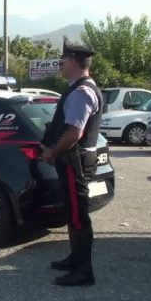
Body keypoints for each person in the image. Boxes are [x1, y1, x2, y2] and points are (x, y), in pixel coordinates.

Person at [41, 39, 102, 286]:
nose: (60, 65)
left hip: (74, 161)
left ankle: (84, 271)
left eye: (62, 61)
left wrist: (53, 152)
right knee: (72, 212)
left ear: (75, 62)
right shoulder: (79, 88)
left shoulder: (81, 92)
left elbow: (74, 133)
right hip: (72, 160)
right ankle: (75, 259)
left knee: (78, 215)